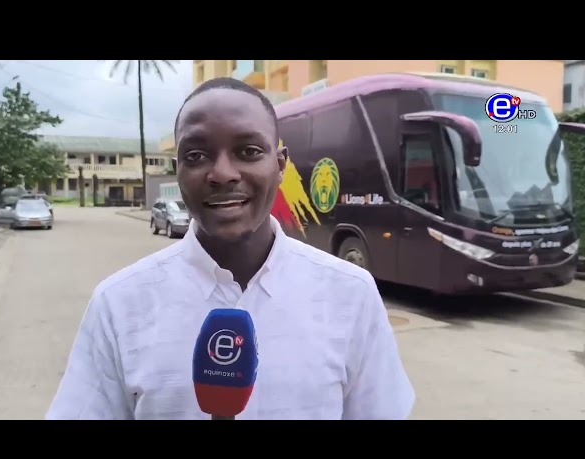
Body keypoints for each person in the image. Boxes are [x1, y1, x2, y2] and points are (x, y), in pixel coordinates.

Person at [46, 77, 415, 420]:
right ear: (177, 171)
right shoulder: (118, 304)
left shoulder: (352, 295)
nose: (222, 173)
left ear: (280, 165)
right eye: (196, 156)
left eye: (249, 151)